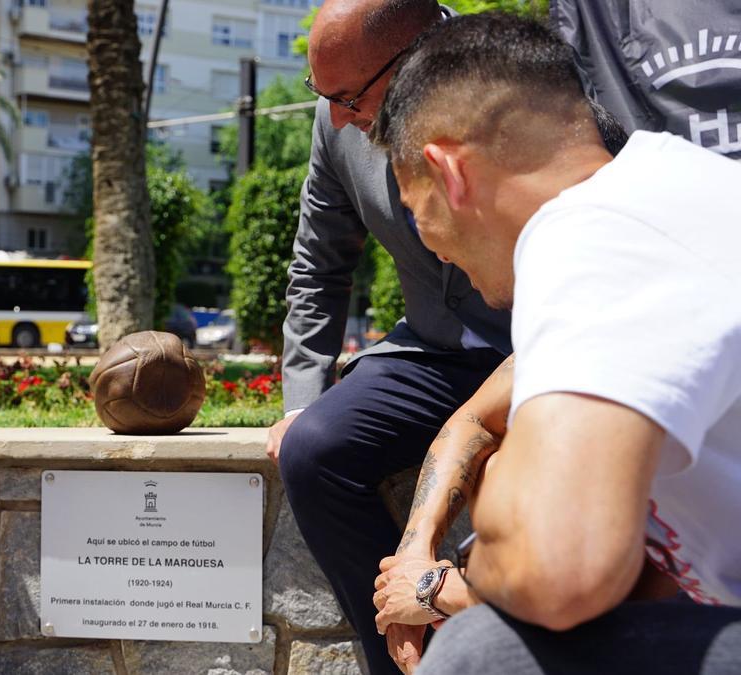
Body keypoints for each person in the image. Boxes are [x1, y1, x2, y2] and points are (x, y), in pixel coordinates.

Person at [370, 13, 741, 673]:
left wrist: (456, 578)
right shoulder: (661, 193)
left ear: (449, 172)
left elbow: (560, 566)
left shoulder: (588, 234)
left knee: (481, 654)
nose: (446, 261)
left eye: (421, 218)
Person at [270, 1, 513, 672]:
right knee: (313, 449)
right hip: (429, 352)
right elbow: (318, 263)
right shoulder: (335, 118)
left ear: (416, 50)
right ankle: (400, 656)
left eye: (350, 96)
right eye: (324, 97)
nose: (338, 115)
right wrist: (301, 400)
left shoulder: (520, 87)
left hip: (533, 349)